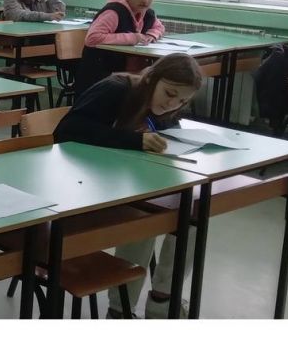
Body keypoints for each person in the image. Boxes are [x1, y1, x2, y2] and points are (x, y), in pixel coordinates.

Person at [55, 53, 203, 318]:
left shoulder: (165, 108)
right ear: (151, 78)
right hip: (81, 187)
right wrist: (134, 141)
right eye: (169, 93)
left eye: (182, 101)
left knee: (191, 215)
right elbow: (67, 130)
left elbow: (169, 131)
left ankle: (163, 300)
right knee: (145, 217)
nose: (172, 104)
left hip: (122, 184)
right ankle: (120, 309)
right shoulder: (115, 89)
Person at [74, 0, 166, 95]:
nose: (145, 0)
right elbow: (92, 38)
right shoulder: (114, 12)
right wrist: (133, 38)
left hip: (127, 71)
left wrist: (152, 35)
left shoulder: (147, 13)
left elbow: (159, 27)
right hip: (101, 72)